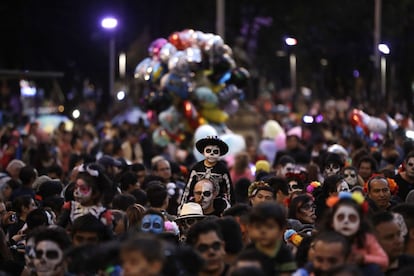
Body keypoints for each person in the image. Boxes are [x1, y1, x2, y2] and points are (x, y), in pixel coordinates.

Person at [323, 191, 389, 272]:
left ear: (360, 222)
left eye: (352, 218)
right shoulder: (323, 241)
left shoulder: (366, 238)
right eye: (340, 217)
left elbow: (384, 261)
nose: (346, 221)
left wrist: (364, 258)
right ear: (332, 222)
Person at [180, 136, 233, 211]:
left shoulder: (222, 169)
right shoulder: (196, 168)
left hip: (217, 204)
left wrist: (232, 209)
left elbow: (229, 190)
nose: (211, 154)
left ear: (220, 153)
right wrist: (182, 207)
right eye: (208, 151)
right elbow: (187, 189)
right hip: (197, 203)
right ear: (203, 152)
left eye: (215, 152)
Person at [243, 201, 297, 275]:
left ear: (281, 230)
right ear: (250, 228)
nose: (263, 231)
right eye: (258, 226)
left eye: (270, 226)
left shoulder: (284, 253)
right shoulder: (248, 251)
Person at [57, 163, 114, 228]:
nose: (77, 192)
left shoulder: (103, 213)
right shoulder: (70, 207)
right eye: (76, 188)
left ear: (95, 193)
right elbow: (58, 228)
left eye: (83, 189)